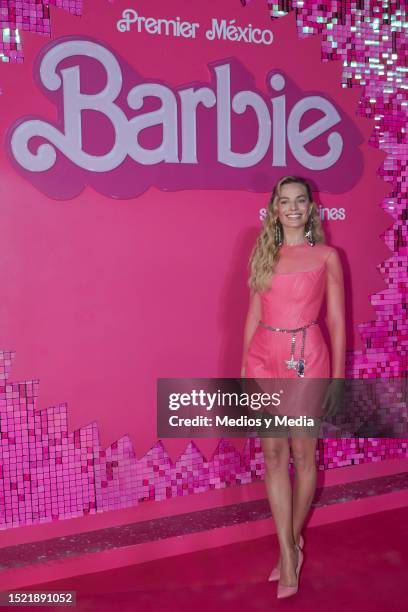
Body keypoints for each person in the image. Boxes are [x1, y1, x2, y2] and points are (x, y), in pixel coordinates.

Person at [241, 175, 346, 599]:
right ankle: (289, 550)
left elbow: (337, 320)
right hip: (264, 356)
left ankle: (289, 544)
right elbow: (251, 315)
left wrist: (337, 376)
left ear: (310, 208)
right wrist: (243, 370)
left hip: (308, 359)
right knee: (272, 453)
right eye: (285, 202)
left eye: (300, 201)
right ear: (275, 209)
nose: (293, 208)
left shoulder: (327, 256)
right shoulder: (263, 254)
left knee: (303, 454)